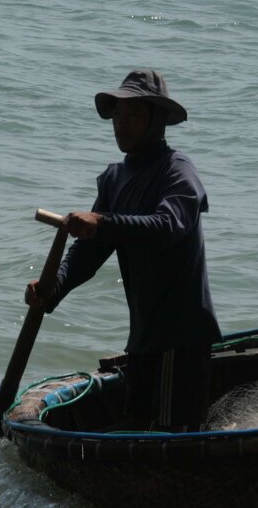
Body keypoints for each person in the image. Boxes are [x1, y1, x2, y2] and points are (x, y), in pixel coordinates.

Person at [25, 70, 222, 432]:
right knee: (138, 428)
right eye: (116, 116)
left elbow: (168, 226)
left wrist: (103, 223)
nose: (121, 125)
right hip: (143, 338)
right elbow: (88, 253)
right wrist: (53, 286)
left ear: (157, 120)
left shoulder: (177, 172)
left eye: (132, 116)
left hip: (180, 339)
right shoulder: (115, 179)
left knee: (168, 439)